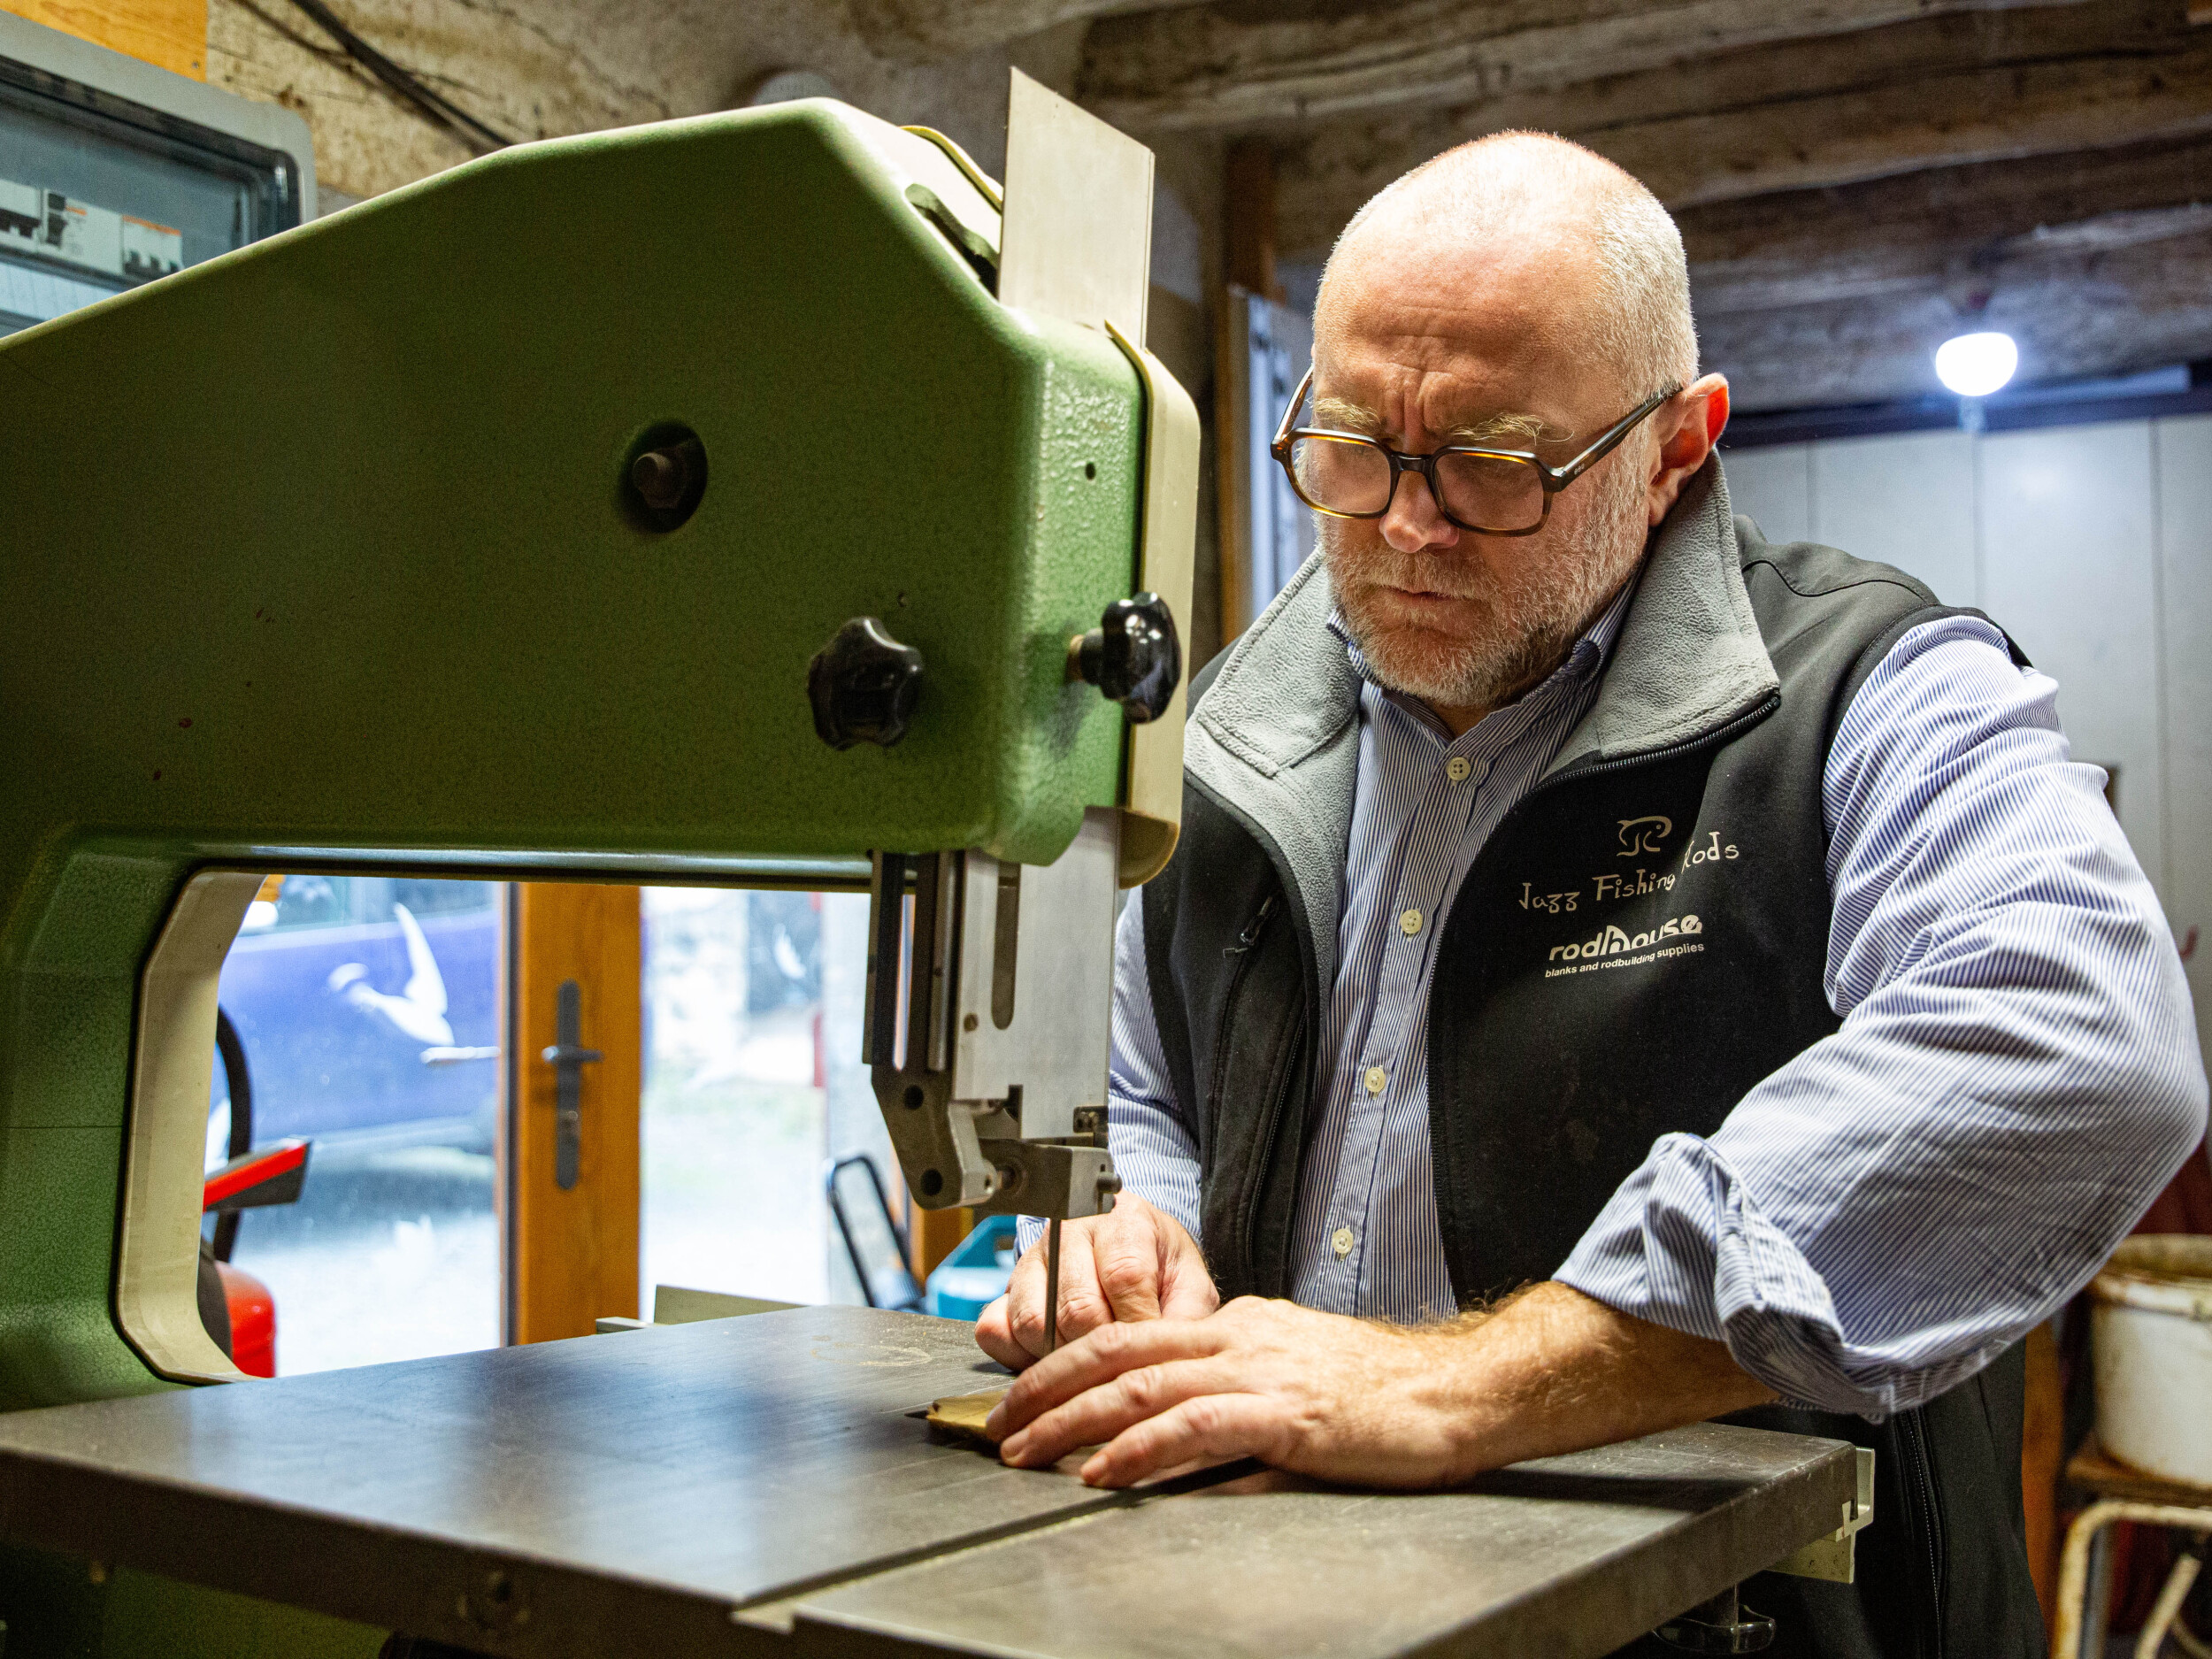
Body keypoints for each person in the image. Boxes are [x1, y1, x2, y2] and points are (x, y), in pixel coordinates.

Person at [973, 132, 2208, 1655]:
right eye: (1353, 446)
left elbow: (2083, 1034)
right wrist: (1129, 1219)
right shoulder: (1230, 730)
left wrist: (1475, 1386)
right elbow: (1146, 1084)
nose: (1407, 526)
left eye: (1494, 463)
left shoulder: (1872, 692)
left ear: (1679, 442)